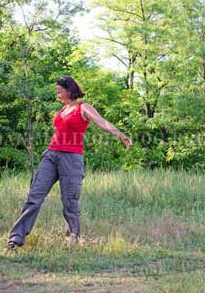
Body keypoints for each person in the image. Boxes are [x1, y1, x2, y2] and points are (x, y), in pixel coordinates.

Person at [7, 76, 132, 250]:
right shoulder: (62, 109)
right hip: (51, 155)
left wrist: (120, 134)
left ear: (69, 90)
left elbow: (102, 122)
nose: (57, 95)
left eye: (59, 91)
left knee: (70, 201)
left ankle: (73, 238)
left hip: (71, 159)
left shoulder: (83, 107)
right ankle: (15, 238)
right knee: (34, 197)